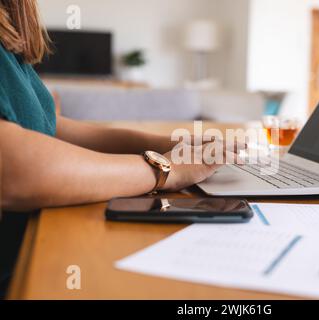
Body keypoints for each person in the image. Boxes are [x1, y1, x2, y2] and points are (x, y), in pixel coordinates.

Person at [0, 0, 240, 298]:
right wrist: (165, 170)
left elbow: (50, 128)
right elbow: (14, 169)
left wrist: (173, 147)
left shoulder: (10, 44)